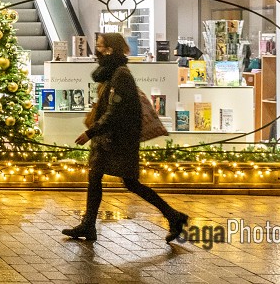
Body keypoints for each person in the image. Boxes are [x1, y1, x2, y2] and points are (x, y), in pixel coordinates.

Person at [62, 32, 189, 244]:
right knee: (96, 177)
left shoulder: (121, 75)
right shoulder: (110, 73)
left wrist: (90, 132)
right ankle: (89, 224)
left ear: (110, 49)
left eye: (101, 45)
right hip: (110, 139)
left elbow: (115, 111)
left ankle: (174, 216)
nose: (97, 49)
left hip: (119, 140)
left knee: (131, 183)